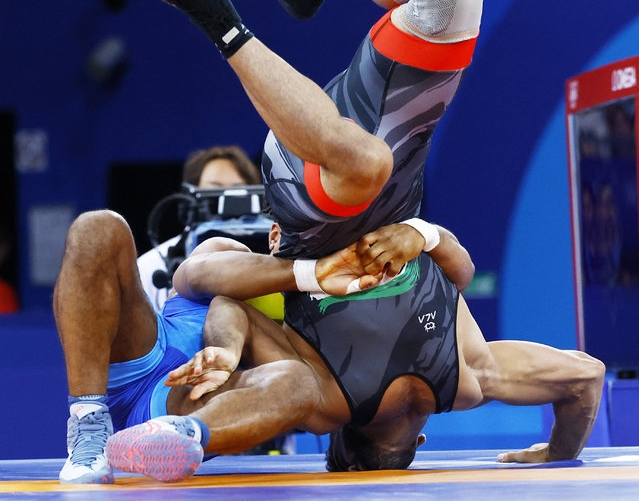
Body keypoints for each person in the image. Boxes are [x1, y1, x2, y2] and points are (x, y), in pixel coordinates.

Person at [101, 212, 604, 481]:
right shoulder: (328, 405)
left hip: (379, 195)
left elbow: (585, 375)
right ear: (348, 448)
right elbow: (223, 302)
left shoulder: (471, 378)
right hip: (316, 209)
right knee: (204, 265)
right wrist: (228, 353)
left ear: (418, 444)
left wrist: (557, 454)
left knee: (211, 262)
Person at [138, 0, 483, 263]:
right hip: (392, 166)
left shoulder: (283, 300)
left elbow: (195, 276)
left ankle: (217, 19)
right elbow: (464, 268)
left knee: (367, 162)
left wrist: (307, 277)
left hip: (309, 182)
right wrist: (421, 233)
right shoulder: (427, 295)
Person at [54, 207, 454, 483]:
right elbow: (195, 275)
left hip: (194, 400)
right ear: (274, 237)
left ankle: (175, 438)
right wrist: (304, 273)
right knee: (98, 228)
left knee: (298, 383)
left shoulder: (341, 344)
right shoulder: (239, 257)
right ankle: (88, 421)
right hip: (147, 354)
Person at [137, 145, 261, 311]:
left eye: (237, 189)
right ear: (189, 199)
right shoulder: (151, 265)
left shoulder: (274, 253)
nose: (225, 198)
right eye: (215, 189)